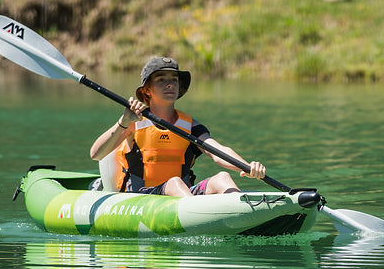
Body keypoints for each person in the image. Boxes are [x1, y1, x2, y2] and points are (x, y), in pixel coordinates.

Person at [90, 56, 266, 196]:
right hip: (142, 197)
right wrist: (123, 123)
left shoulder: (189, 125)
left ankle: (240, 213)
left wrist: (248, 167)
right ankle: (199, 218)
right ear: (147, 90)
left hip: (183, 195)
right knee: (174, 183)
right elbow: (96, 154)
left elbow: (217, 151)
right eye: (161, 79)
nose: (169, 84)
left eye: (174, 79)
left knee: (223, 178)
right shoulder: (133, 121)